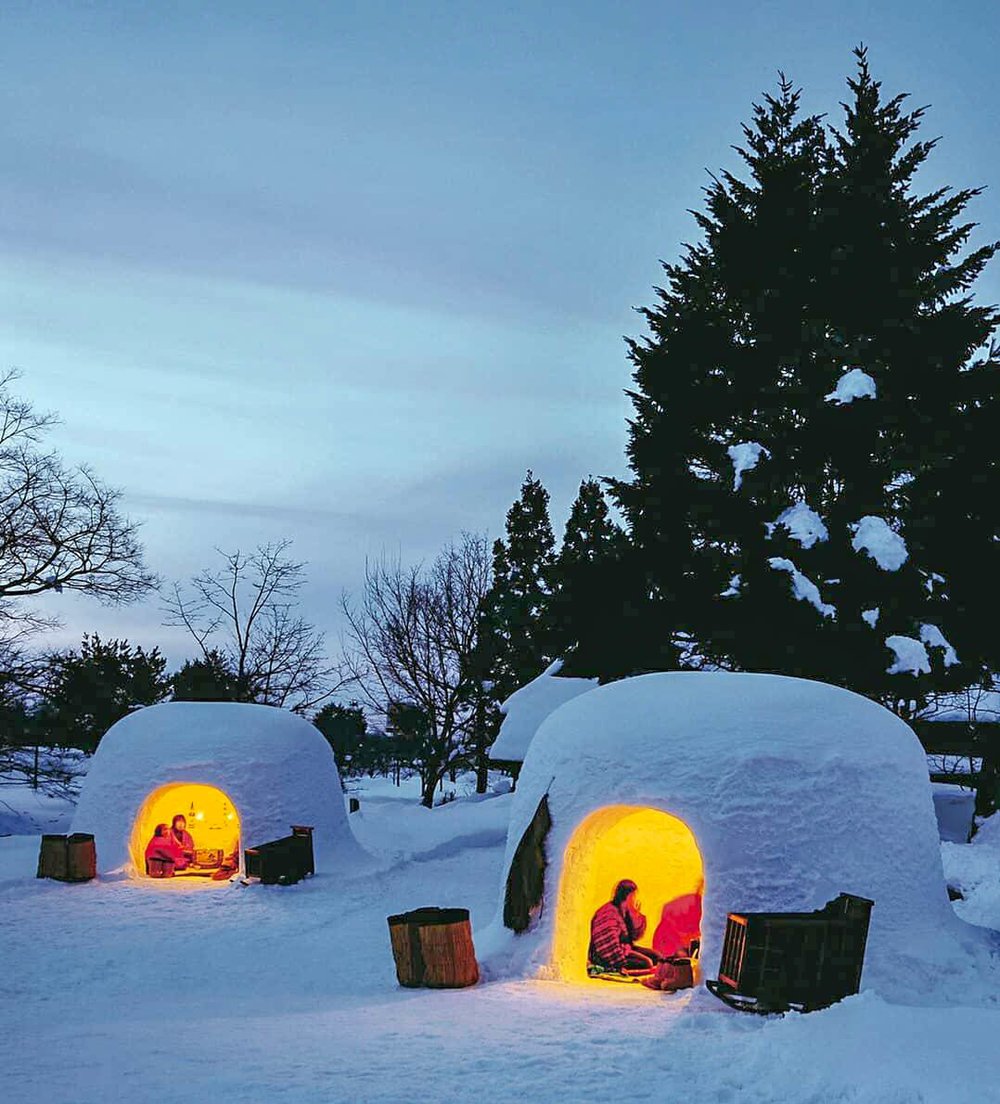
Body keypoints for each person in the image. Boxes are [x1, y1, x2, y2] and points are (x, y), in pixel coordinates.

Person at [588, 879, 660, 973]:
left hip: (626, 949)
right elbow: (608, 944)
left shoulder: (626, 911)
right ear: (628, 896)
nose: (635, 899)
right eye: (634, 895)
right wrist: (619, 962)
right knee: (647, 963)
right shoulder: (609, 913)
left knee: (658, 957)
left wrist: (635, 916)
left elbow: (635, 936)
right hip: (610, 955)